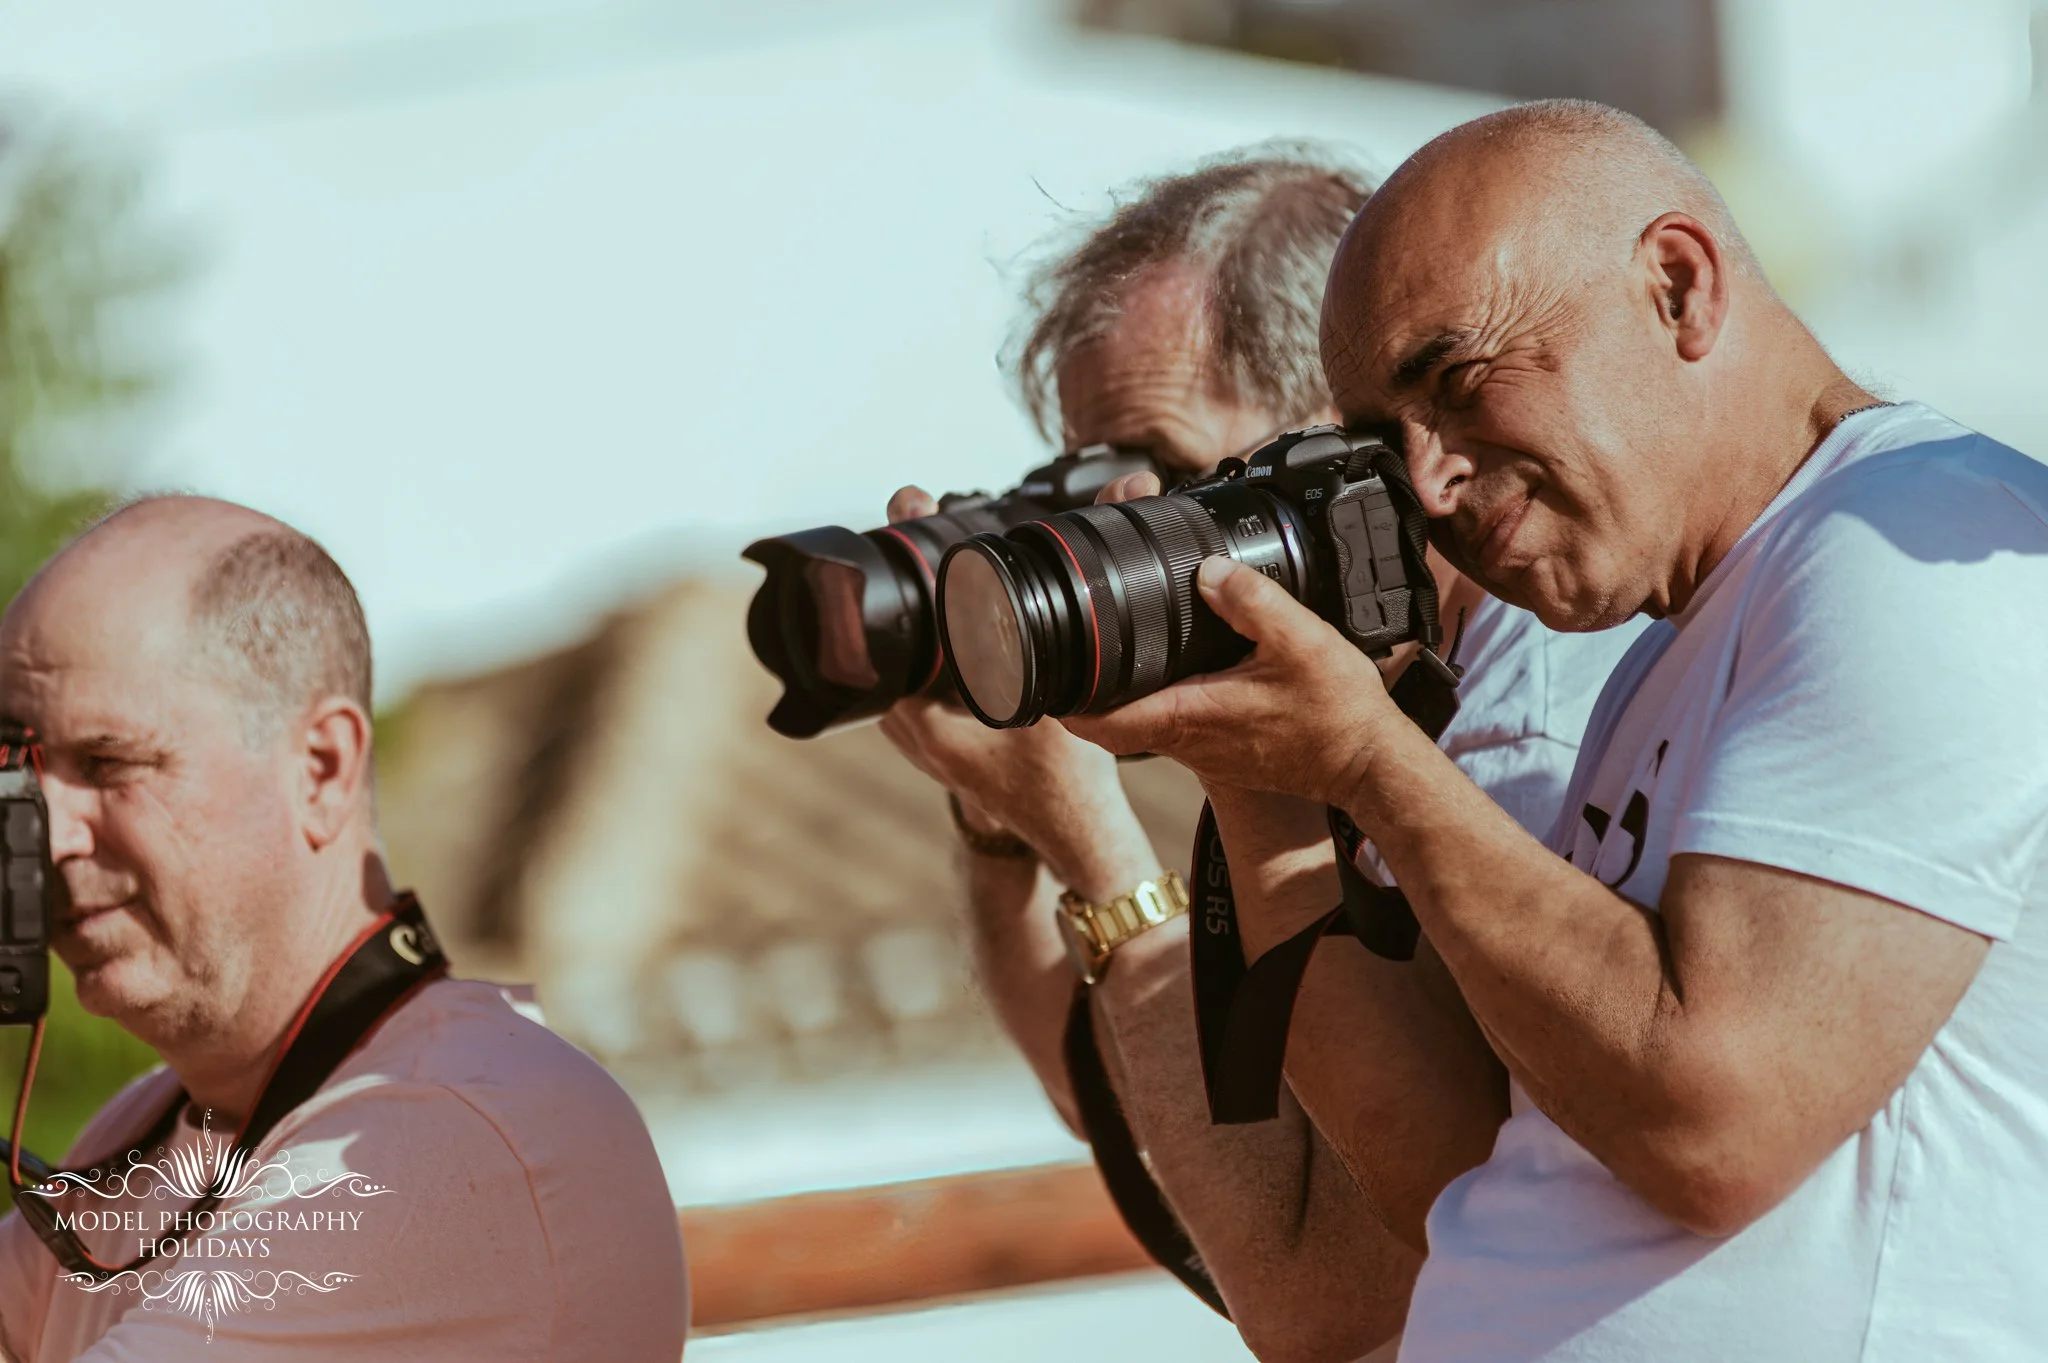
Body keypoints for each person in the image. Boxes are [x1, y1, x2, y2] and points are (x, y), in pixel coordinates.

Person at [1065, 99, 2048, 1362]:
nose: (1427, 483)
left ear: (1675, 286)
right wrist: (1257, 780)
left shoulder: (1904, 547)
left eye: (1457, 382)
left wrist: (1367, 759)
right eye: (1383, 439)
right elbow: (1451, 1171)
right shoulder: (1666, 648)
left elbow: (1709, 1127)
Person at [879, 146, 1644, 1362]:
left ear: (1344, 442)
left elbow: (1326, 1301)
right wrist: (999, 821)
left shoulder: (1516, 743)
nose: (1123, 532)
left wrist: (1095, 849)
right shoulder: (1347, 692)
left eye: (1169, 481)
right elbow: (1122, 1099)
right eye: (1086, 484)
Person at [0, 497, 687, 1361]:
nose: (49, 835)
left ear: (320, 769)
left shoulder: (444, 1141)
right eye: (20, 773)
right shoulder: (159, 1122)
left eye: (108, 763)